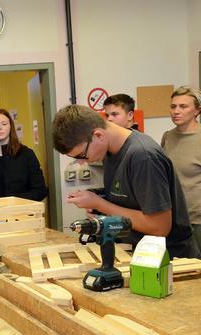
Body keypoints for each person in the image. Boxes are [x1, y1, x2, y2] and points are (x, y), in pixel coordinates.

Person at [52, 104, 199, 259]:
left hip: (171, 261)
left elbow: (159, 227)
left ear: (99, 135)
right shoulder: (110, 150)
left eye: (82, 155)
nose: (81, 163)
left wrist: (99, 204)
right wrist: (97, 196)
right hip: (141, 253)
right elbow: (129, 193)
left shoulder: (143, 157)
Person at [161, 86, 201, 251]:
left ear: (197, 111)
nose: (176, 111)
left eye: (183, 106)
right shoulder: (168, 137)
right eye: (173, 106)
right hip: (173, 219)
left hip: (197, 221)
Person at [0, 109, 48, 201]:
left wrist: (13, 201)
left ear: (11, 127)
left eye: (4, 124)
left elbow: (40, 191)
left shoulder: (26, 154)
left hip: (21, 213)